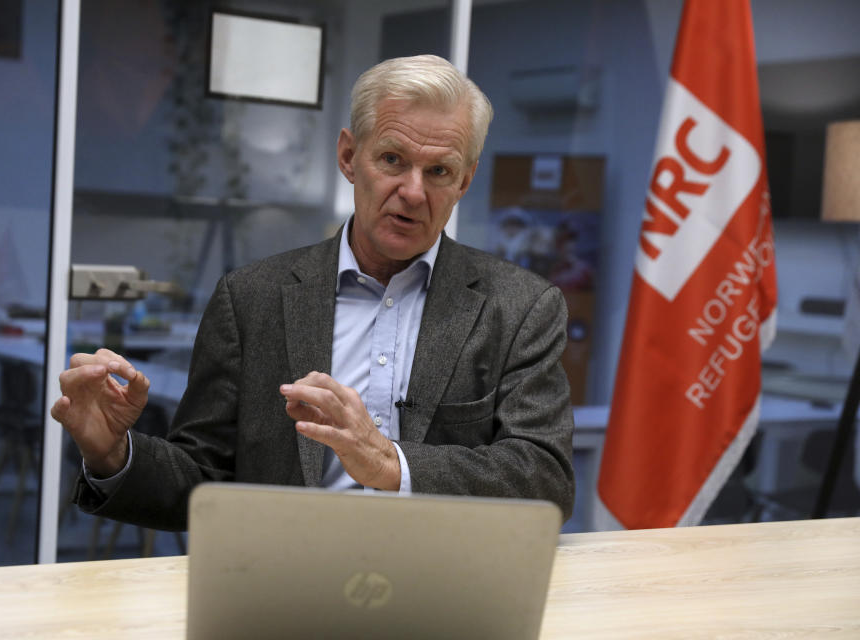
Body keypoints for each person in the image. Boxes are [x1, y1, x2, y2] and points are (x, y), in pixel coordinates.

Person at [53, 55, 575, 532]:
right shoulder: (252, 298)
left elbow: (544, 479)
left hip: (443, 593)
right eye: (392, 160)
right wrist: (112, 454)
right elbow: (204, 478)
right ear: (349, 156)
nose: (414, 192)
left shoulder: (519, 307)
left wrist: (392, 464)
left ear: (464, 181)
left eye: (438, 171)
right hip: (285, 588)